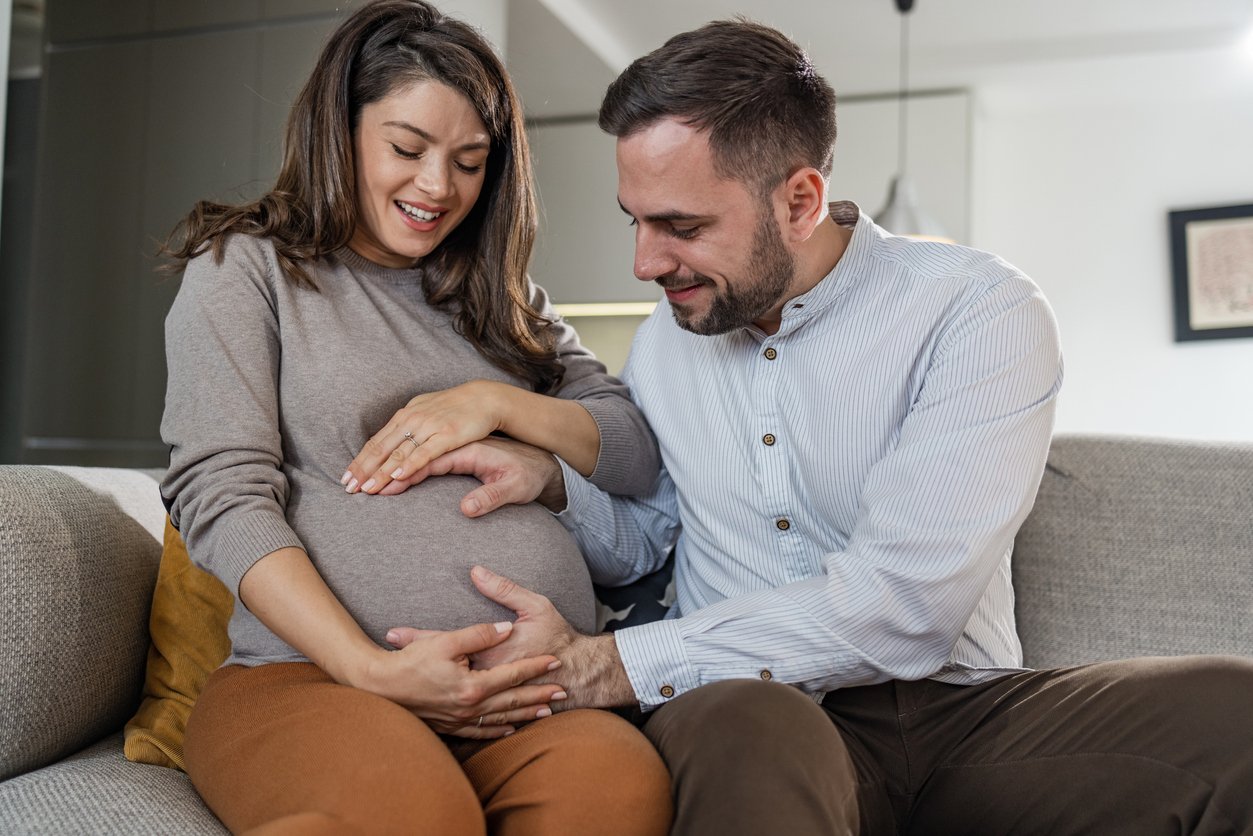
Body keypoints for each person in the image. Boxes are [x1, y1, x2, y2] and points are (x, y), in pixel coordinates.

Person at [383, 17, 1253, 836]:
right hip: (749, 713)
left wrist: (605, 667)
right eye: (637, 222)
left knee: (1232, 709)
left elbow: (904, 608)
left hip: (960, 713)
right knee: (751, 719)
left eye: (681, 226)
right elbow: (648, 537)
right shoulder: (665, 342)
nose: (645, 263)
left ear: (799, 200)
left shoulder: (977, 311)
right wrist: (549, 482)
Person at [158, 2, 672, 833]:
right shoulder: (248, 270)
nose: (438, 187)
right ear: (340, 129)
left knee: (619, 791)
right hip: (309, 678)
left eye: (469, 162)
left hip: (523, 700)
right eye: (406, 149)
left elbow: (631, 453)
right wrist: (370, 668)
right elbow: (222, 496)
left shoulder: (506, 303)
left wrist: (494, 404)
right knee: (416, 818)